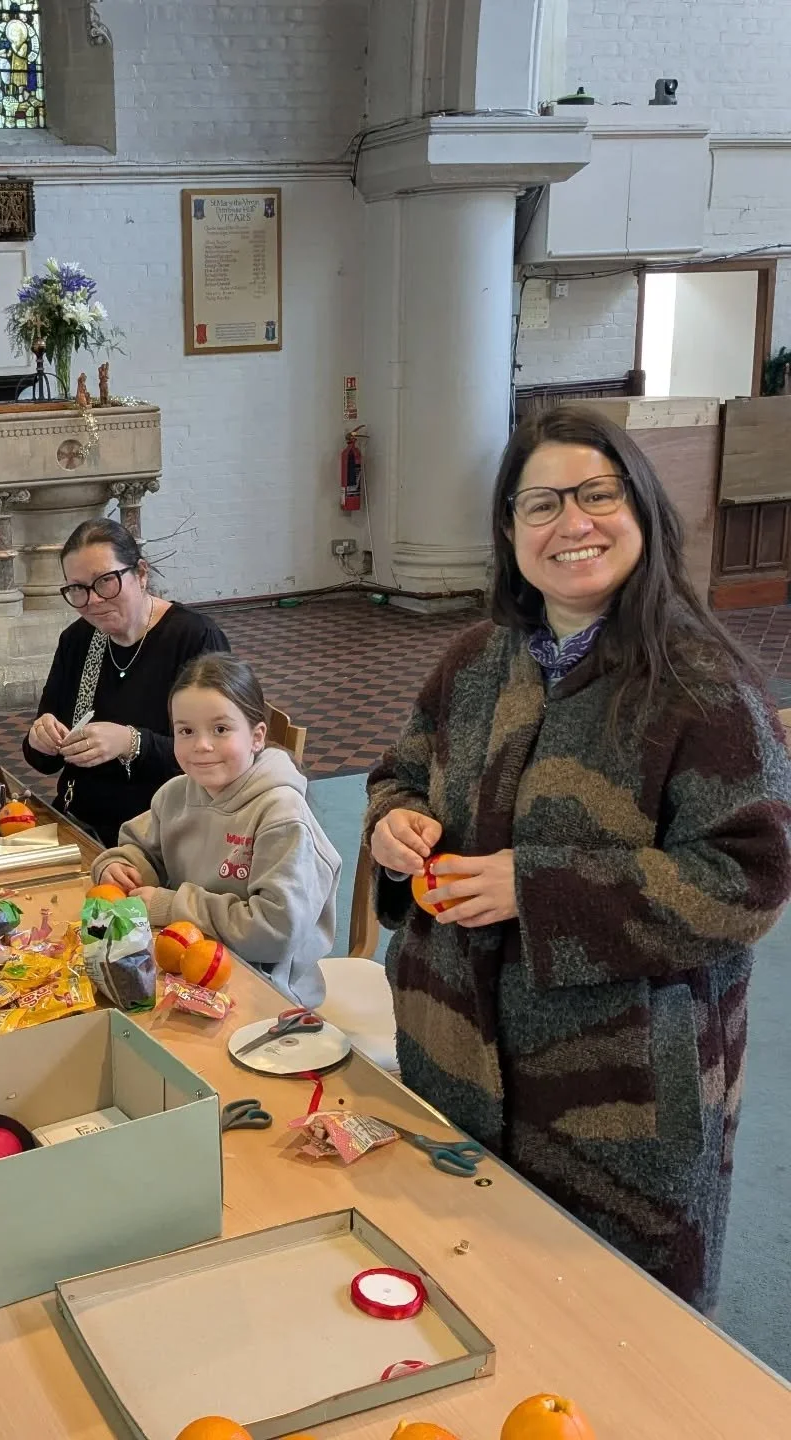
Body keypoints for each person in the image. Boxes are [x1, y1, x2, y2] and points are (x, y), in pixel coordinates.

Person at [365, 404, 791, 1313]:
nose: (573, 524)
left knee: (614, 1335)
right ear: (510, 531)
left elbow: (749, 878)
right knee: (472, 1299)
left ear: (641, 509)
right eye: (541, 504)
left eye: (597, 495)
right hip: (453, 1060)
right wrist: (393, 826)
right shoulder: (476, 660)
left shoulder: (701, 685)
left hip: (623, 1103)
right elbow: (399, 770)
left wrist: (539, 887)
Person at [92, 654, 340, 1008]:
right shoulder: (177, 793)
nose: (201, 745)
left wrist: (171, 906)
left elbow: (275, 933)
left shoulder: (281, 815)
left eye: (220, 729)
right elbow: (141, 849)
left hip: (268, 990)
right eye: (186, 731)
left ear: (256, 737)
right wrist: (119, 866)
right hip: (185, 964)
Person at [23, 518, 229, 846]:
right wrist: (40, 739)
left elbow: (218, 754)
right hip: (81, 822)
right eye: (77, 588)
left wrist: (132, 743)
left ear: (141, 574)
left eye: (106, 581)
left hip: (164, 835)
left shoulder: (194, 639)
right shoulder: (78, 641)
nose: (92, 600)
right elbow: (45, 761)